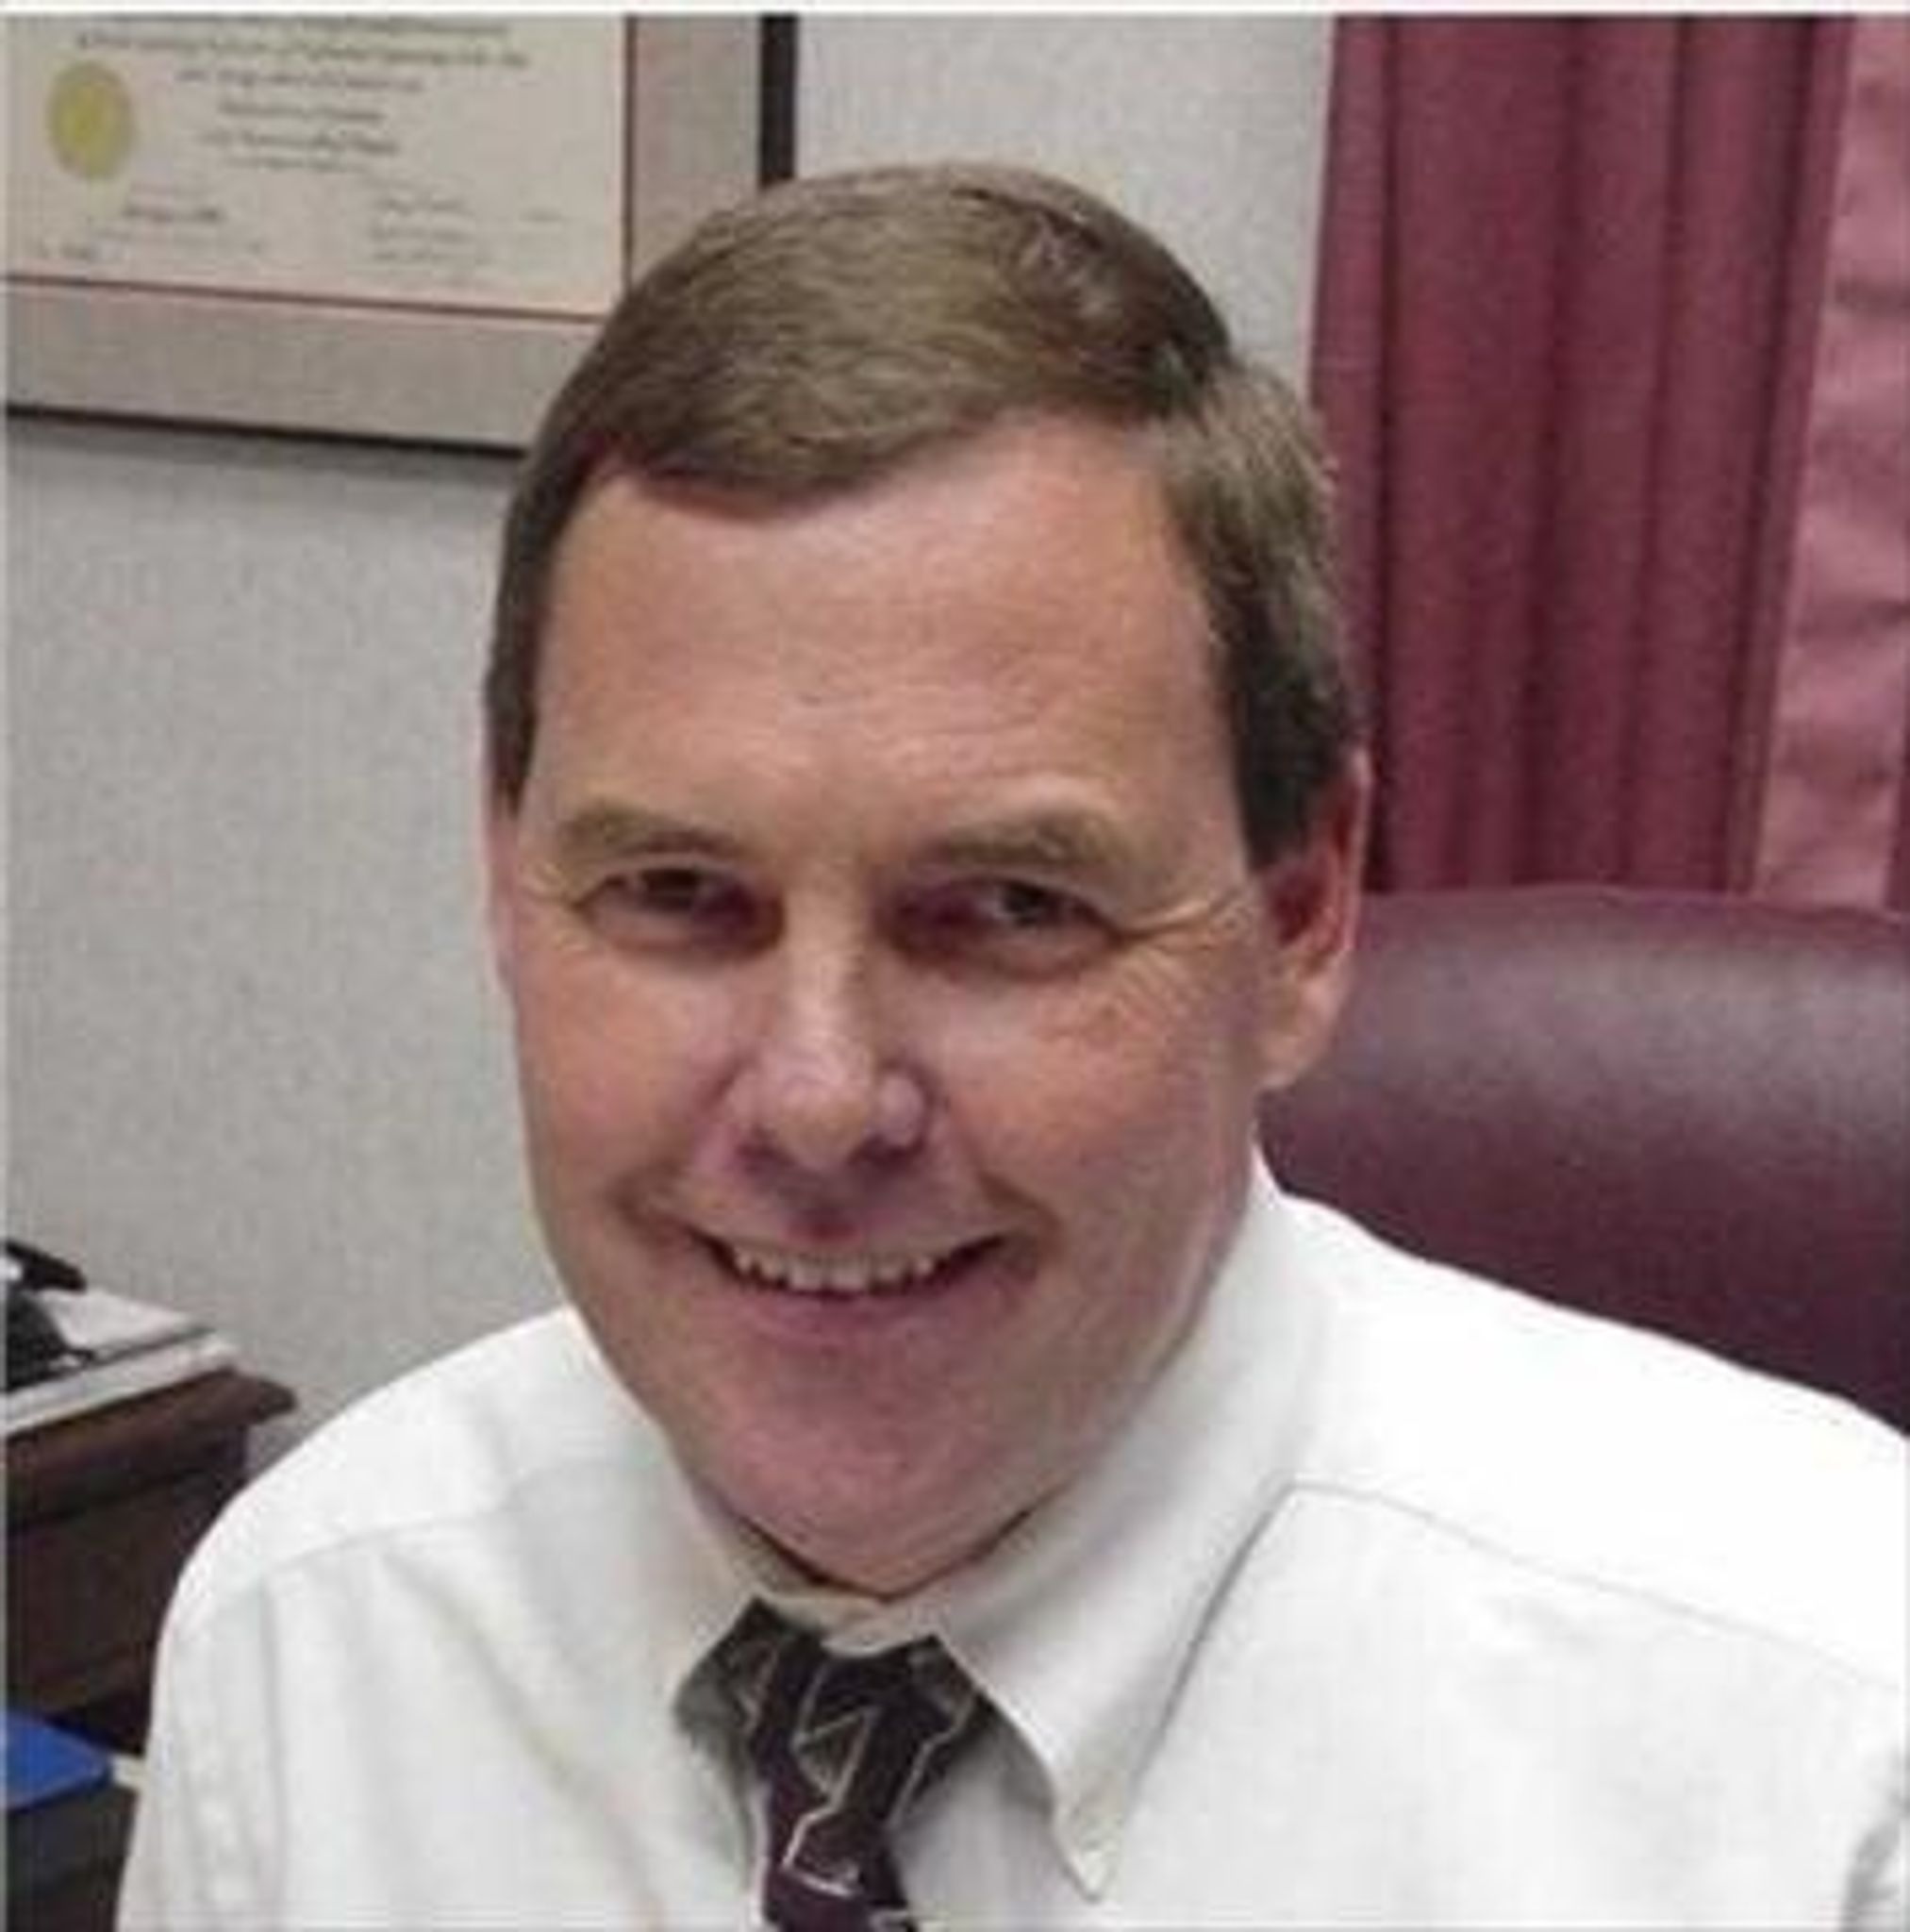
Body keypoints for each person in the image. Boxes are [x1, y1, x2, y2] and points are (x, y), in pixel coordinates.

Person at [120, 164, 1903, 1930]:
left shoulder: (1829, 1752)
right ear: (507, 877)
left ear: (1300, 919)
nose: (822, 1100)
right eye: (677, 893)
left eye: (1006, 908)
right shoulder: (311, 1643)